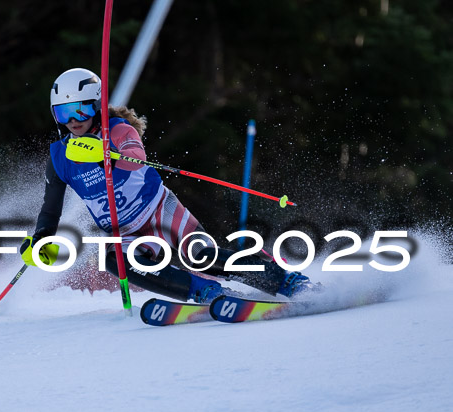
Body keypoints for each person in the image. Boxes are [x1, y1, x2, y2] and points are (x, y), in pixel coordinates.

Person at [20, 67, 313, 303]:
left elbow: (137, 157)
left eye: (80, 110)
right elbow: (51, 207)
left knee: (199, 255)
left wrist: (107, 157)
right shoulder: (59, 157)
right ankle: (203, 292)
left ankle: (286, 281)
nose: (73, 120)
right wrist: (41, 239)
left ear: (96, 105)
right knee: (117, 262)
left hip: (159, 209)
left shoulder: (118, 130)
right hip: (124, 231)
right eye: (63, 113)